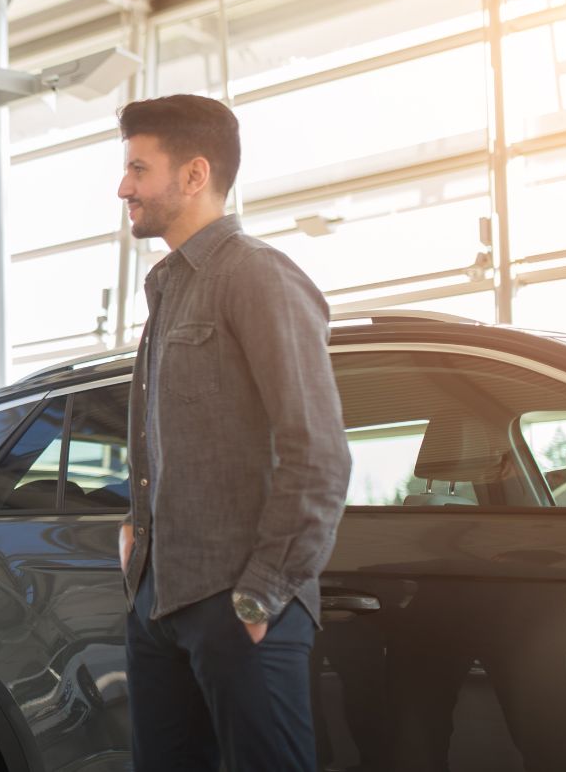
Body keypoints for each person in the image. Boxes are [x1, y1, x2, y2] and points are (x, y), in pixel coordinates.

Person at [116, 94, 352, 770]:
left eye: (138, 168)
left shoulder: (256, 274)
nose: (123, 186)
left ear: (193, 175)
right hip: (160, 604)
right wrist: (138, 541)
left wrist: (261, 593)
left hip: (236, 606)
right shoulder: (169, 291)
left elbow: (319, 451)